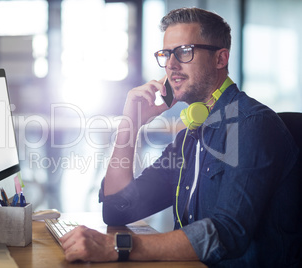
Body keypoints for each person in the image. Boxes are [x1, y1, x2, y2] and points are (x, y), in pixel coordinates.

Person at [60, 7, 301, 267]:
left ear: (220, 59)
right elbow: (118, 209)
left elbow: (227, 233)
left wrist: (119, 246)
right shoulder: (190, 136)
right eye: (166, 54)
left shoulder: (252, 125)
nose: (171, 65)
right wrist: (131, 124)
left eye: (184, 52)